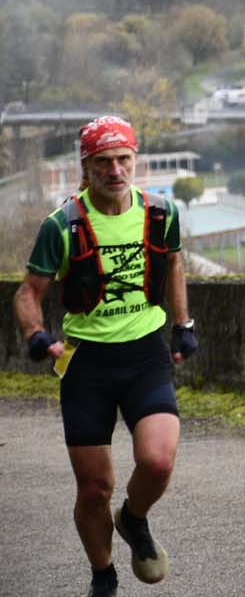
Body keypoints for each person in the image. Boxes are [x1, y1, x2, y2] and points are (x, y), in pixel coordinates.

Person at [12, 115, 199, 597]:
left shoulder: (160, 212)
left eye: (123, 160)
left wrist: (183, 325)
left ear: (135, 160)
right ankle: (104, 576)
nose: (115, 171)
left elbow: (174, 263)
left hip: (145, 353)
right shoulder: (62, 225)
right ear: (86, 166)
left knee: (157, 462)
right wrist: (36, 335)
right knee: (94, 489)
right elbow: (28, 293)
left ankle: (134, 520)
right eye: (103, 162)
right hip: (86, 363)